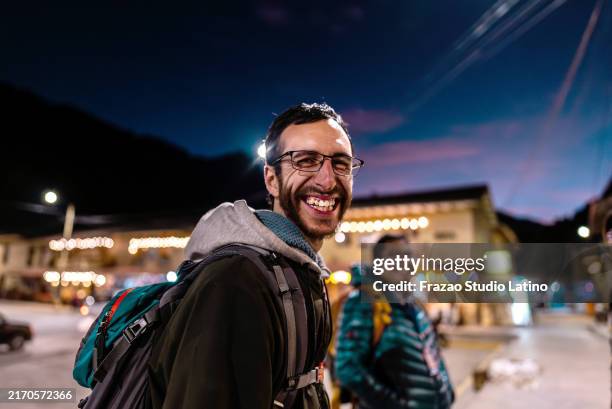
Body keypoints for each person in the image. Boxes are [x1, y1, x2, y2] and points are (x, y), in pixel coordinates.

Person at [147, 102, 363, 409]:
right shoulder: (235, 281)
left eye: (341, 164)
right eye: (305, 161)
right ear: (271, 179)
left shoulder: (300, 272)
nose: (327, 180)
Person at [335, 234, 454, 409]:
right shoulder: (364, 301)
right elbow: (347, 368)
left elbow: (433, 354)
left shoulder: (415, 306)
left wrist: (447, 393)